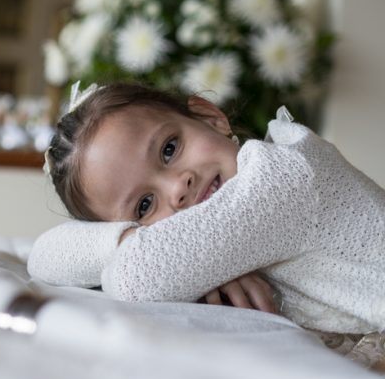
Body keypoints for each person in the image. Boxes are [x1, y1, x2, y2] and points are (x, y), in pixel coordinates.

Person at [28, 81, 385, 335]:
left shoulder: (281, 178)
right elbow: (41, 256)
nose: (178, 188)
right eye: (145, 204)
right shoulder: (235, 221)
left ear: (209, 117)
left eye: (169, 149)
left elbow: (133, 280)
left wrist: (162, 248)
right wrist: (128, 240)